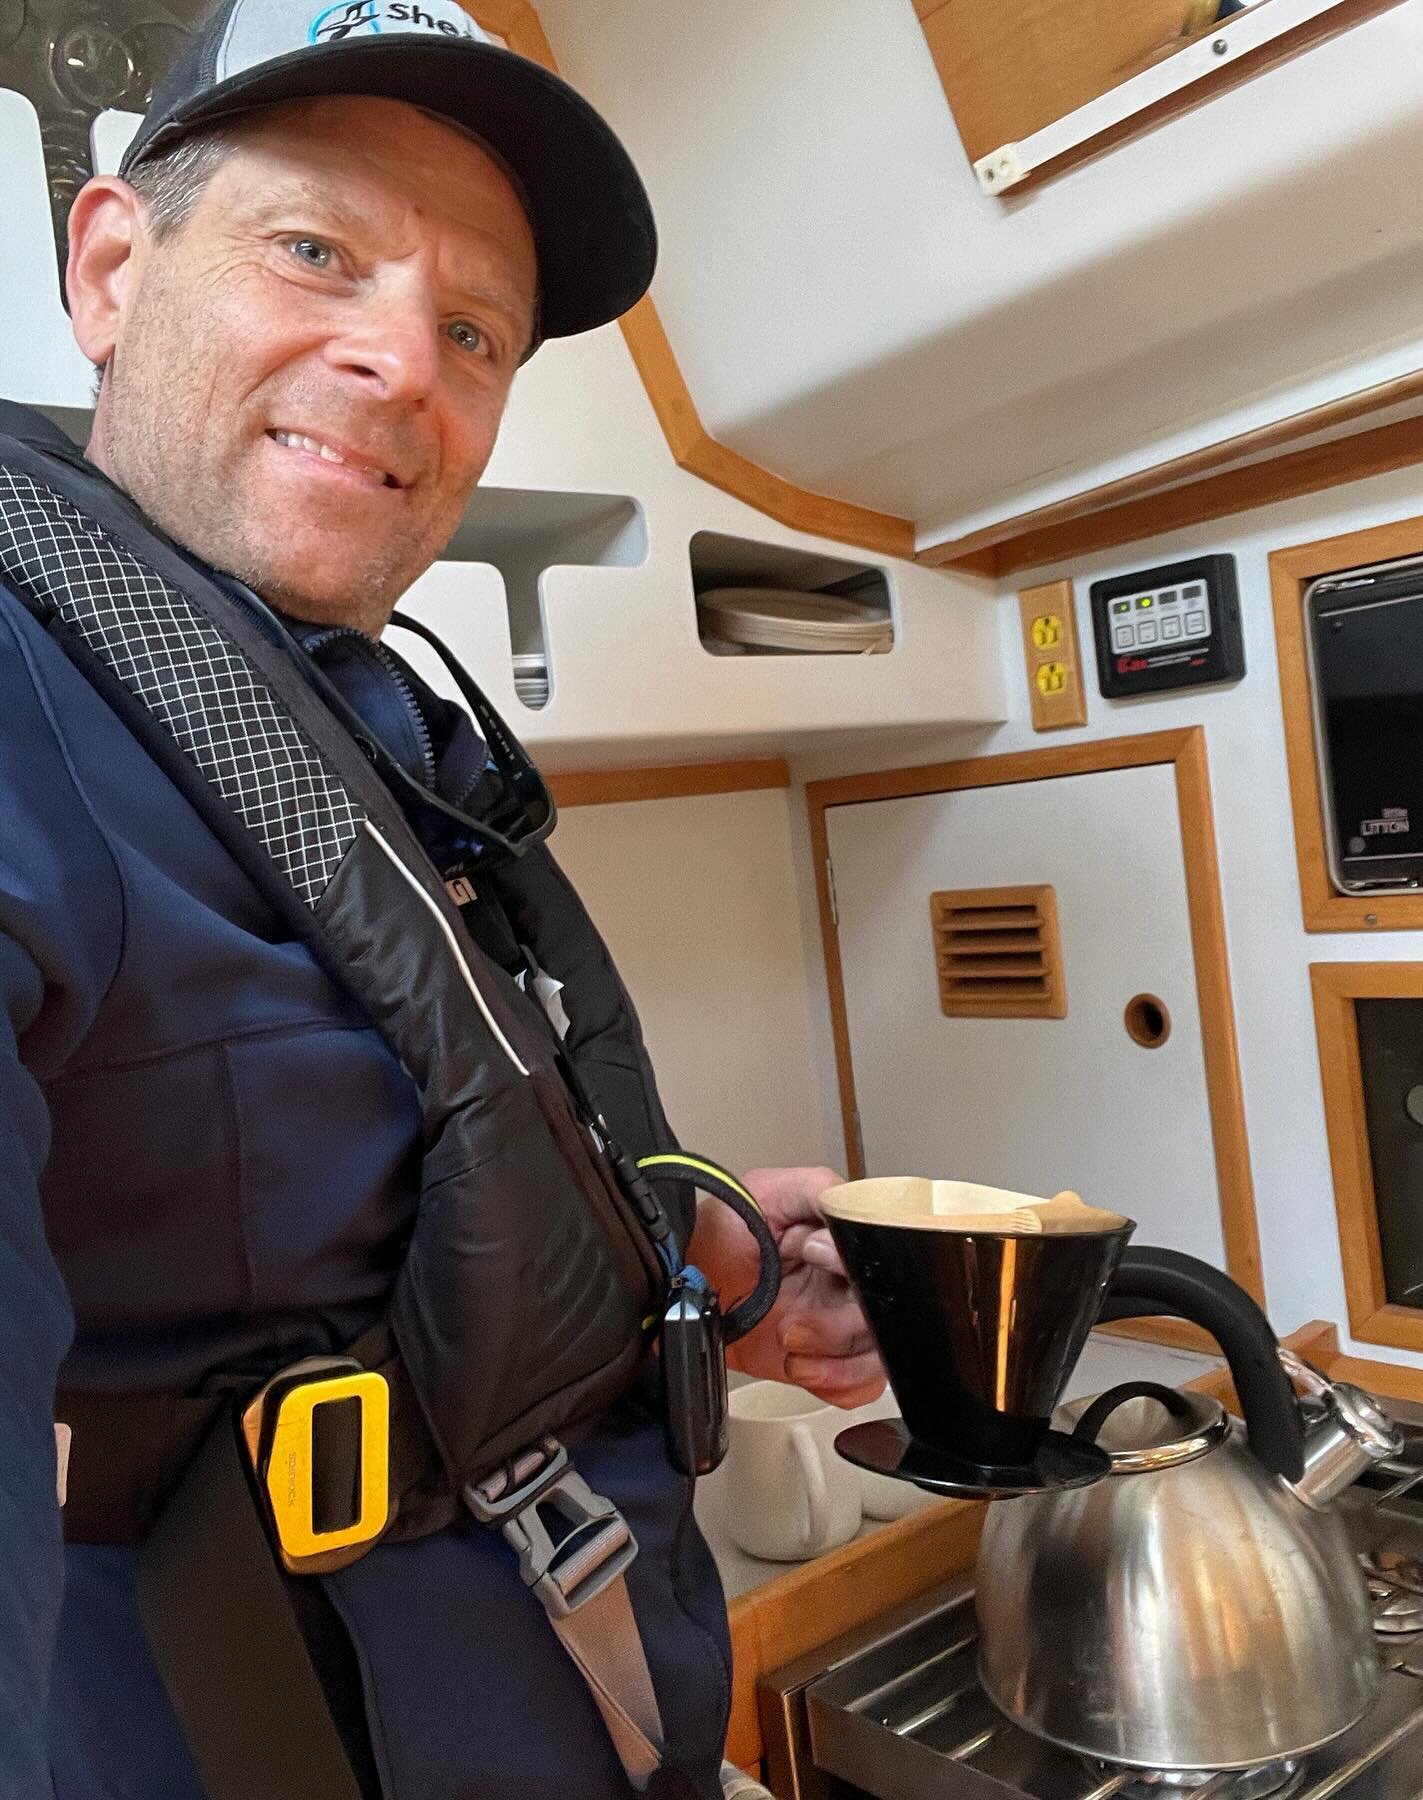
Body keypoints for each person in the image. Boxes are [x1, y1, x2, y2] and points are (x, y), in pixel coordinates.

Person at [0, 5, 884, 1798]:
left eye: (471, 329)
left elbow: (357, 1211)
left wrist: (682, 1268)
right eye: (317, 250)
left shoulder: (375, 723)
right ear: (110, 267)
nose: (405, 362)